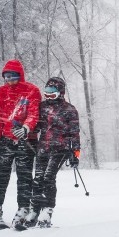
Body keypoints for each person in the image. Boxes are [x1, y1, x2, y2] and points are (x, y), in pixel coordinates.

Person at [0, 59, 41, 229]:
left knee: (24, 177)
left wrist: (26, 128)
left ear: (20, 75)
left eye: (13, 77)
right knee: (0, 175)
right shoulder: (1, 92)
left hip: (26, 140)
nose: (9, 80)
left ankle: (24, 209)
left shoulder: (31, 90)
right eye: (6, 77)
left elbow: (34, 114)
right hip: (7, 141)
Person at [23, 76, 80, 229]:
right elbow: (34, 125)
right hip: (43, 148)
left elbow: (74, 133)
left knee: (48, 177)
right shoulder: (42, 107)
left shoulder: (69, 110)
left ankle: (47, 211)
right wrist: (26, 131)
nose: (48, 95)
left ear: (60, 92)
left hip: (61, 149)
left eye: (52, 92)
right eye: (47, 92)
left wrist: (75, 153)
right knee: (38, 179)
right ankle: (34, 211)